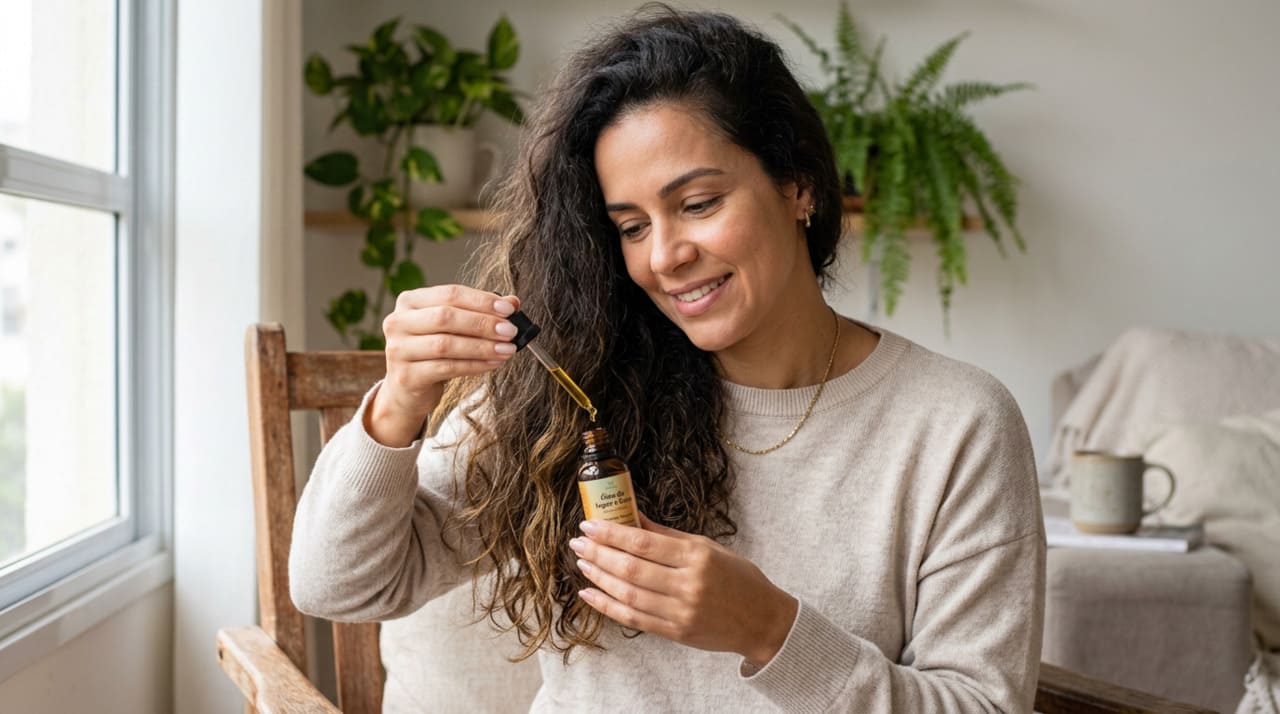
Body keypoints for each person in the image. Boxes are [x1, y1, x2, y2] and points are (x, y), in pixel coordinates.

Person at [290, 6, 1045, 712]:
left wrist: (769, 630)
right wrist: (397, 407)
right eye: (629, 225)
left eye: (698, 204)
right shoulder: (572, 389)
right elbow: (339, 586)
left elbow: (981, 703)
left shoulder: (956, 424)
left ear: (799, 186)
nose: (665, 257)